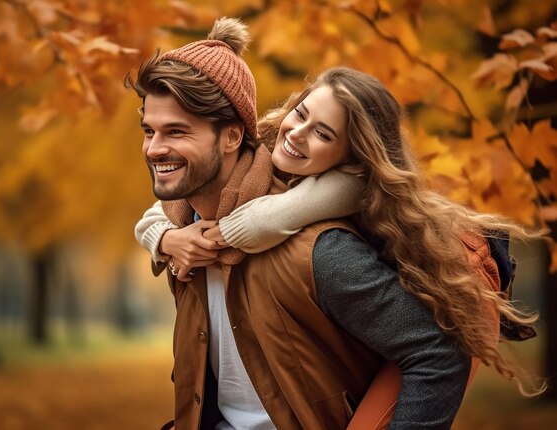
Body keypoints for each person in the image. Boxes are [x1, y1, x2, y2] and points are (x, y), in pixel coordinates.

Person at [127, 17, 534, 430]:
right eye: (149, 130)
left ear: (232, 138)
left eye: (175, 131)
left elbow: (438, 356)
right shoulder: (189, 227)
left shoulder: (320, 250)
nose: (155, 148)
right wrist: (165, 238)